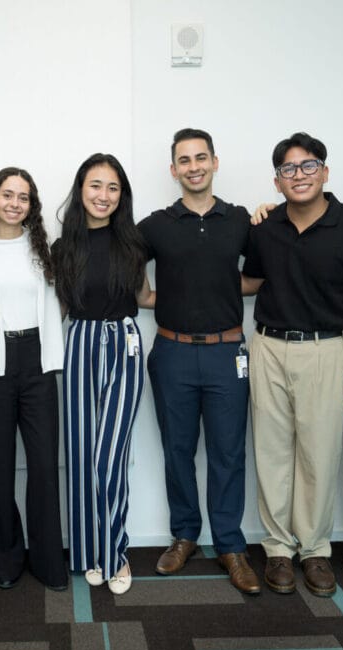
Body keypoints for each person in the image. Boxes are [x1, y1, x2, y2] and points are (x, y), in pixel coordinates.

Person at [241, 132, 343, 597]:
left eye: (308, 166)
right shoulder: (265, 227)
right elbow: (252, 281)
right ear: (277, 181)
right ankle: (278, 549)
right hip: (268, 347)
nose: (298, 175)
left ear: (324, 172)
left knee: (320, 454)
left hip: (326, 351)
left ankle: (316, 550)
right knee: (272, 451)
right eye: (288, 169)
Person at [139, 128, 259, 594]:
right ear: (173, 170)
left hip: (228, 353)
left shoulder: (243, 221)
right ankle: (184, 535)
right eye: (184, 160)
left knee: (229, 453)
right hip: (171, 351)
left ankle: (230, 545)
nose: (193, 166)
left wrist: (224, 289)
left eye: (200, 158)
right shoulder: (155, 225)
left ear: (214, 162)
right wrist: (154, 298)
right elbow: (127, 273)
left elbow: (263, 274)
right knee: (178, 451)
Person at [53, 153, 153, 595]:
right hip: (78, 343)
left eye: (113, 188)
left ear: (121, 195)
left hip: (125, 344)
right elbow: (55, 308)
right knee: (79, 453)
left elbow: (145, 296)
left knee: (109, 456)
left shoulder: (134, 243)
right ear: (81, 190)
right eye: (96, 186)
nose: (104, 196)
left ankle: (116, 553)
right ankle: (87, 551)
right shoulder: (62, 248)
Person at [0, 168, 68, 592]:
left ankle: (47, 561)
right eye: (7, 195)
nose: (14, 203)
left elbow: (58, 302)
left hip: (37, 363)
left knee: (44, 466)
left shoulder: (43, 248)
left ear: (32, 205)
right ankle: (5, 558)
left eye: (23, 197)